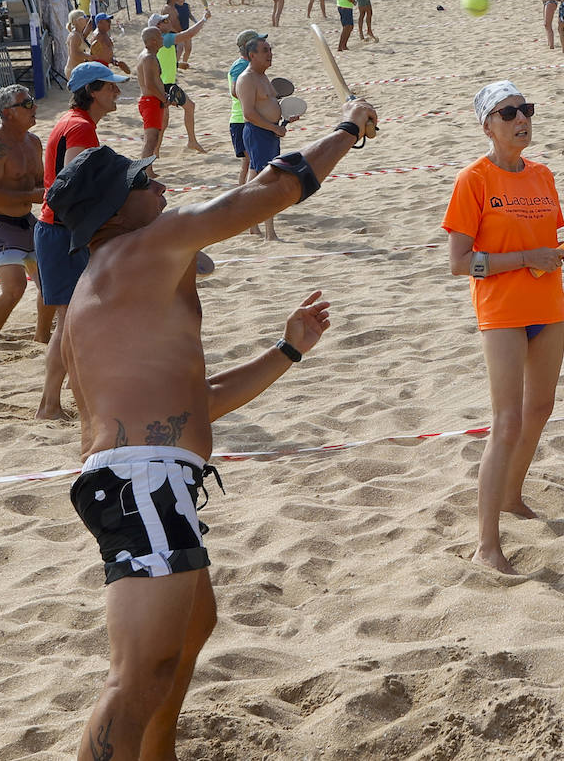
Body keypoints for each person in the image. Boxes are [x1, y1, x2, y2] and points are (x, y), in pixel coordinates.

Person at [51, 92, 376, 760]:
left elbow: (194, 408)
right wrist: (349, 130)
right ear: (115, 210)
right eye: (144, 181)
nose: (160, 184)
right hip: (141, 484)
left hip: (144, 477)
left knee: (195, 628)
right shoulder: (142, 247)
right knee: (138, 677)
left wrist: (286, 352)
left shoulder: (105, 286)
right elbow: (267, 192)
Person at [440, 81, 564, 574]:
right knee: (506, 421)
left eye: (525, 109)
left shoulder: (542, 175)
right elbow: (460, 263)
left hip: (547, 303)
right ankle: (486, 545)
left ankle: (511, 496)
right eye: (507, 113)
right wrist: (525, 258)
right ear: (487, 125)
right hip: (503, 310)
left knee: (541, 408)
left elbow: (551, 240)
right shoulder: (474, 179)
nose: (520, 119)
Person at [34, 62, 128, 419]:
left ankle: (65, 400)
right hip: (61, 232)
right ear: (92, 91)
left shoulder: (74, 122)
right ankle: (50, 405)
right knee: (69, 323)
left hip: (56, 230)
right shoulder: (81, 128)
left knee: (72, 321)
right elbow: (71, 190)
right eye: (110, 87)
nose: (116, 92)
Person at [0, 85, 53, 364]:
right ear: (7, 113)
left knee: (51, 282)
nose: (34, 107)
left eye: (32, 101)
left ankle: (42, 338)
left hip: (24, 219)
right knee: (14, 287)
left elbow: (40, 184)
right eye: (27, 103)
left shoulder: (33, 142)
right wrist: (34, 195)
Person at [235, 34, 304, 241]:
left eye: (270, 50)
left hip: (267, 132)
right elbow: (249, 114)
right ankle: (269, 233)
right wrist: (273, 129)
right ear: (252, 55)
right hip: (258, 134)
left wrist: (284, 120)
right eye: (265, 51)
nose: (270, 54)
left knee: (255, 180)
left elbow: (268, 107)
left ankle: (254, 226)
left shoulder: (262, 76)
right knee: (266, 182)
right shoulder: (247, 79)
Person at [149, 11, 210, 154]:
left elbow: (161, 62)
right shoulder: (165, 38)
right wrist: (204, 19)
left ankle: (190, 141)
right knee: (164, 122)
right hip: (164, 86)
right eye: (164, 21)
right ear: (158, 27)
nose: (168, 21)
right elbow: (189, 34)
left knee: (173, 117)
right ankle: (156, 151)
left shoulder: (159, 41)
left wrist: (177, 64)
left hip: (166, 84)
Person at [227, 30, 265, 222]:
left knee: (249, 163)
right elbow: (235, 91)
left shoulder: (246, 64)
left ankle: (241, 200)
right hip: (242, 120)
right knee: (250, 163)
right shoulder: (241, 65)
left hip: (245, 119)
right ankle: (243, 201)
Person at [135, 27, 173, 160]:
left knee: (152, 138)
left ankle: (147, 170)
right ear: (152, 41)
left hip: (150, 100)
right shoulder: (149, 57)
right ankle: (146, 171)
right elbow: (149, 84)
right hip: (150, 100)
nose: (162, 38)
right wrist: (164, 99)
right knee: (151, 139)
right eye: (159, 37)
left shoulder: (147, 56)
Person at [65, 10, 95, 80]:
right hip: (73, 71)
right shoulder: (74, 36)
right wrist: (89, 57)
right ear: (77, 21)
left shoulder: (79, 33)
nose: (86, 18)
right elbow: (74, 54)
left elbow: (87, 29)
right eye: (84, 17)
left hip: (78, 69)